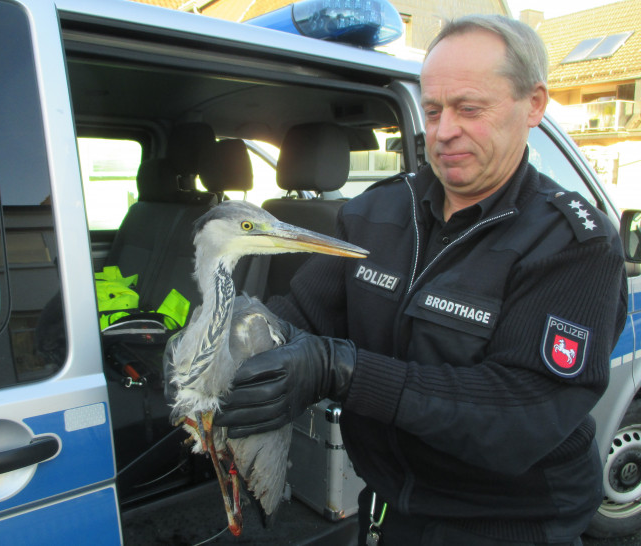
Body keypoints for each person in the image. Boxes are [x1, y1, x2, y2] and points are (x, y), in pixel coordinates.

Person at [213, 14, 628, 545]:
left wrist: (343, 370)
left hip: (508, 522)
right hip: (389, 506)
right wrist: (221, 342)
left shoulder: (572, 243)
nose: (444, 131)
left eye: (469, 109)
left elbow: (521, 414)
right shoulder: (377, 212)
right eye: (432, 111)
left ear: (534, 105)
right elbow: (298, 316)